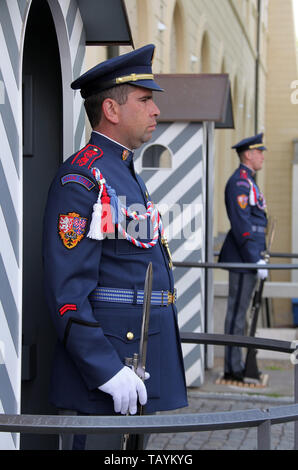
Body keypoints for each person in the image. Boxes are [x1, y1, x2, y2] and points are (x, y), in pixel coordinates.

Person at [42, 44, 187, 450]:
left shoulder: (122, 172)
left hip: (138, 359)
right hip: (109, 368)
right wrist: (105, 369)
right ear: (111, 109)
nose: (156, 110)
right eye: (145, 100)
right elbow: (67, 292)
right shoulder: (83, 178)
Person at [218, 133, 268, 382]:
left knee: (242, 313)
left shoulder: (249, 181)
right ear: (248, 154)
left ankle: (237, 364)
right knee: (237, 313)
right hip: (243, 257)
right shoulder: (239, 182)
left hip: (250, 256)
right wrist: (254, 259)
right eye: (259, 152)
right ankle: (232, 367)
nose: (262, 156)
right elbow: (242, 226)